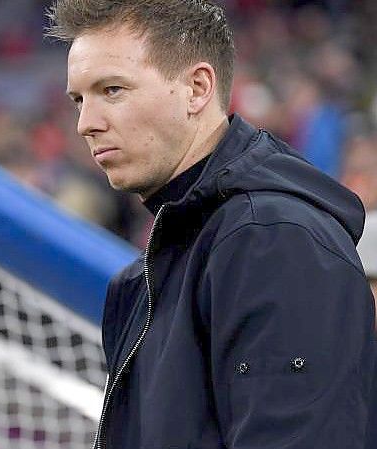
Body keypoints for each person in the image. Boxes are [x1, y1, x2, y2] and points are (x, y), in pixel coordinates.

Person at [46, 1, 376, 448]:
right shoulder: (166, 259)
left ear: (198, 88)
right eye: (79, 99)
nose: (86, 124)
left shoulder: (271, 239)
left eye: (113, 90)